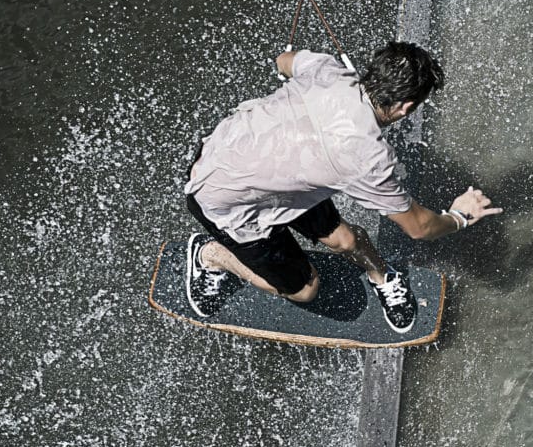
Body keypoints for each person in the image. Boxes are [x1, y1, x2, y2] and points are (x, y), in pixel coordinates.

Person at [184, 42, 501, 333]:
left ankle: (382, 277)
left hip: (236, 154)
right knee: (305, 289)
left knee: (346, 239)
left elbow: (284, 61)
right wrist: (460, 216)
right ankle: (210, 256)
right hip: (220, 197)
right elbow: (420, 227)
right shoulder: (366, 158)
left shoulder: (328, 69)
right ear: (405, 107)